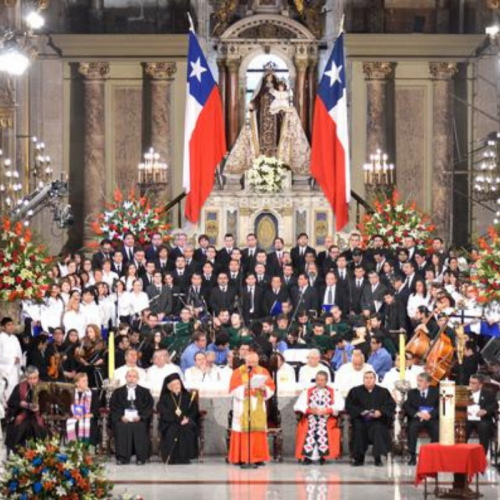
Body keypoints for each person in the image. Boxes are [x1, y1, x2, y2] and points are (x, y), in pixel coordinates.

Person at [228, 351, 276, 465]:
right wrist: (244, 388)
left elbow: (271, 388)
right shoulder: (238, 372)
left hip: (257, 405)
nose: (252, 364)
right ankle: (241, 457)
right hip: (243, 404)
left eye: (254, 362)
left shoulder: (263, 371)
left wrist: (265, 388)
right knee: (242, 430)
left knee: (257, 431)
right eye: (250, 362)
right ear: (245, 361)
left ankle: (257, 458)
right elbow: (232, 390)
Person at [345, 370, 396, 466]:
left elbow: (390, 405)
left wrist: (380, 412)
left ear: (375, 379)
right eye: (366, 378)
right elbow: (349, 405)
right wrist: (361, 412)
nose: (368, 380)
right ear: (363, 379)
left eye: (371, 378)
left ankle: (378, 458)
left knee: (378, 427)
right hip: (361, 419)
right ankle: (359, 458)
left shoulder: (383, 391)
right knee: (359, 428)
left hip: (378, 419)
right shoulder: (355, 391)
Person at [294, 371, 344, 465]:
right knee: (309, 428)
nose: (319, 382)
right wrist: (310, 410)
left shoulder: (334, 392)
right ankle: (307, 457)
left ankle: (323, 456)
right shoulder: (307, 391)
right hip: (311, 417)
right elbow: (297, 405)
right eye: (317, 380)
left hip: (327, 418)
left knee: (322, 429)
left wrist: (327, 410)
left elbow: (340, 405)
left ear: (326, 381)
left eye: (322, 380)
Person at [109, 368, 154, 465]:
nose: (131, 379)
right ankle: (122, 458)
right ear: (125, 378)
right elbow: (113, 407)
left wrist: (141, 417)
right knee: (121, 426)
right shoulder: (117, 392)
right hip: (123, 420)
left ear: (138, 378)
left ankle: (141, 458)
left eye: (134, 377)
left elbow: (149, 407)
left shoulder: (145, 392)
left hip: (139, 419)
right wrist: (121, 417)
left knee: (140, 426)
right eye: (129, 376)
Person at [157, 373, 200, 464]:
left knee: (187, 429)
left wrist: (187, 419)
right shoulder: (165, 398)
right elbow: (163, 411)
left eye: (178, 384)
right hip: (170, 422)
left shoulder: (187, 396)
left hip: (185, 421)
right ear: (169, 387)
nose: (177, 386)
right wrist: (177, 420)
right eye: (174, 385)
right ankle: (171, 457)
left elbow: (194, 410)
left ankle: (185, 457)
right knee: (172, 430)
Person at [5, 366, 47, 452]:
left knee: (37, 428)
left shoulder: (44, 386)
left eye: (35, 378)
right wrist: (20, 404)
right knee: (20, 428)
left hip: (38, 415)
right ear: (26, 378)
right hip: (23, 414)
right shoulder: (19, 387)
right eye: (30, 378)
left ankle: (39, 452)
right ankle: (20, 454)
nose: (32, 381)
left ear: (38, 376)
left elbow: (50, 403)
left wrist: (41, 407)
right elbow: (11, 403)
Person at [402, 372, 439, 465]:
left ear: (428, 383)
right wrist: (417, 413)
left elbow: (440, 406)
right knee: (412, 428)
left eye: (421, 381)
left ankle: (433, 455)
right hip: (417, 418)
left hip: (431, 418)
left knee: (437, 429)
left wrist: (431, 415)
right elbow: (406, 405)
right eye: (418, 380)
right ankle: (412, 456)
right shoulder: (412, 392)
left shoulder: (436, 392)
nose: (418, 383)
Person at [466, 374, 499, 454]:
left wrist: (485, 411)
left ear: (480, 385)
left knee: (484, 427)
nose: (471, 385)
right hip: (467, 418)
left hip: (482, 419)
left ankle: (482, 455)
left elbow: (495, 405)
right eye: (470, 382)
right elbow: (457, 404)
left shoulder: (488, 393)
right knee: (461, 428)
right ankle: (462, 454)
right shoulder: (464, 392)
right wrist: (464, 412)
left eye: (474, 383)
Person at [66, 372, 100, 446]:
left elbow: (96, 409)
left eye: (87, 380)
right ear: (77, 383)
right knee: (72, 422)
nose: (86, 383)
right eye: (83, 381)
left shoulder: (93, 393)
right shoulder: (71, 393)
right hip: (74, 417)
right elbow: (67, 408)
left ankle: (89, 448)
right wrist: (72, 415)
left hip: (88, 417)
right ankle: (74, 447)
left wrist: (90, 415)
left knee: (90, 423)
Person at [0, 317, 23, 400]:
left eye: (12, 324)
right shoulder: (1, 338)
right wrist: (12, 360)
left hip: (15, 370)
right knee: (6, 392)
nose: (11, 327)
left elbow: (19, 353)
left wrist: (20, 361)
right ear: (3, 327)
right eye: (8, 325)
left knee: (15, 392)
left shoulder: (15, 338)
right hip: (4, 371)